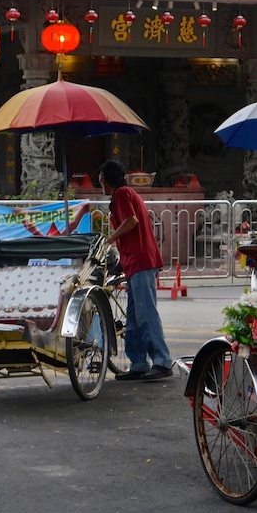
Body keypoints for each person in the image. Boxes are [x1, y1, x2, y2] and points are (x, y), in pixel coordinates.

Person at [97, 160, 174, 381]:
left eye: (100, 178)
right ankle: (138, 362)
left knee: (146, 314)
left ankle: (162, 360)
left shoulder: (122, 194)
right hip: (134, 262)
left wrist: (110, 240)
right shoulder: (124, 194)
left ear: (104, 178)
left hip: (141, 261)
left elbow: (131, 221)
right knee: (133, 317)